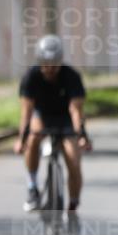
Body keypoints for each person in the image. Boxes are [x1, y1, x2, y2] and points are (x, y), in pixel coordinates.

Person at [15, 34, 91, 217]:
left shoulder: (71, 76)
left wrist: (81, 136)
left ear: (60, 61)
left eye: (54, 63)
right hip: (42, 115)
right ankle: (33, 188)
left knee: (73, 160)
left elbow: (76, 111)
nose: (49, 68)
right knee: (33, 139)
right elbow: (26, 112)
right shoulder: (31, 76)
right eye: (45, 63)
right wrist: (21, 139)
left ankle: (72, 205)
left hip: (65, 117)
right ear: (39, 61)